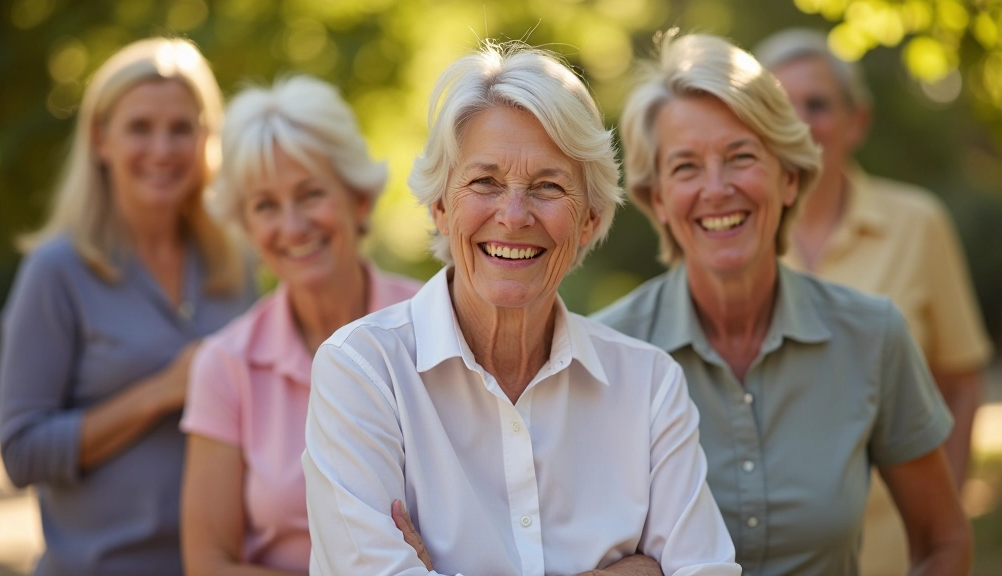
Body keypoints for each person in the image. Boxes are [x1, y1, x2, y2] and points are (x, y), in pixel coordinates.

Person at [301, 42, 740, 576]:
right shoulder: (363, 371)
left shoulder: (649, 384)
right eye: (485, 182)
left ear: (590, 221)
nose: (513, 216)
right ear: (441, 207)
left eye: (548, 187)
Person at [594, 32, 971, 575]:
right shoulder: (607, 355)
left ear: (789, 177)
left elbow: (944, 541)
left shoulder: (872, 336)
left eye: (740, 156)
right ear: (658, 200)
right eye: (685, 167)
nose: (717, 188)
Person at [0, 38, 254, 575]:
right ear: (100, 139)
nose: (162, 149)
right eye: (140, 127)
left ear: (206, 138)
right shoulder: (56, 271)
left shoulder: (236, 262)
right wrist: (162, 391)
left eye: (181, 128)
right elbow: (20, 453)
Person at [752, 28, 994, 575]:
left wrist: (940, 528)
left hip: (893, 549)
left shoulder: (919, 223)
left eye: (817, 104)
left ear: (856, 120)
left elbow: (960, 382)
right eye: (779, 106)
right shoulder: (725, 236)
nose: (799, 122)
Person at [179, 75, 422, 576]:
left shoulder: (441, 326)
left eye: (311, 194)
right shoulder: (225, 365)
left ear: (358, 200)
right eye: (265, 205)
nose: (291, 227)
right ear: (246, 227)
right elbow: (207, 565)